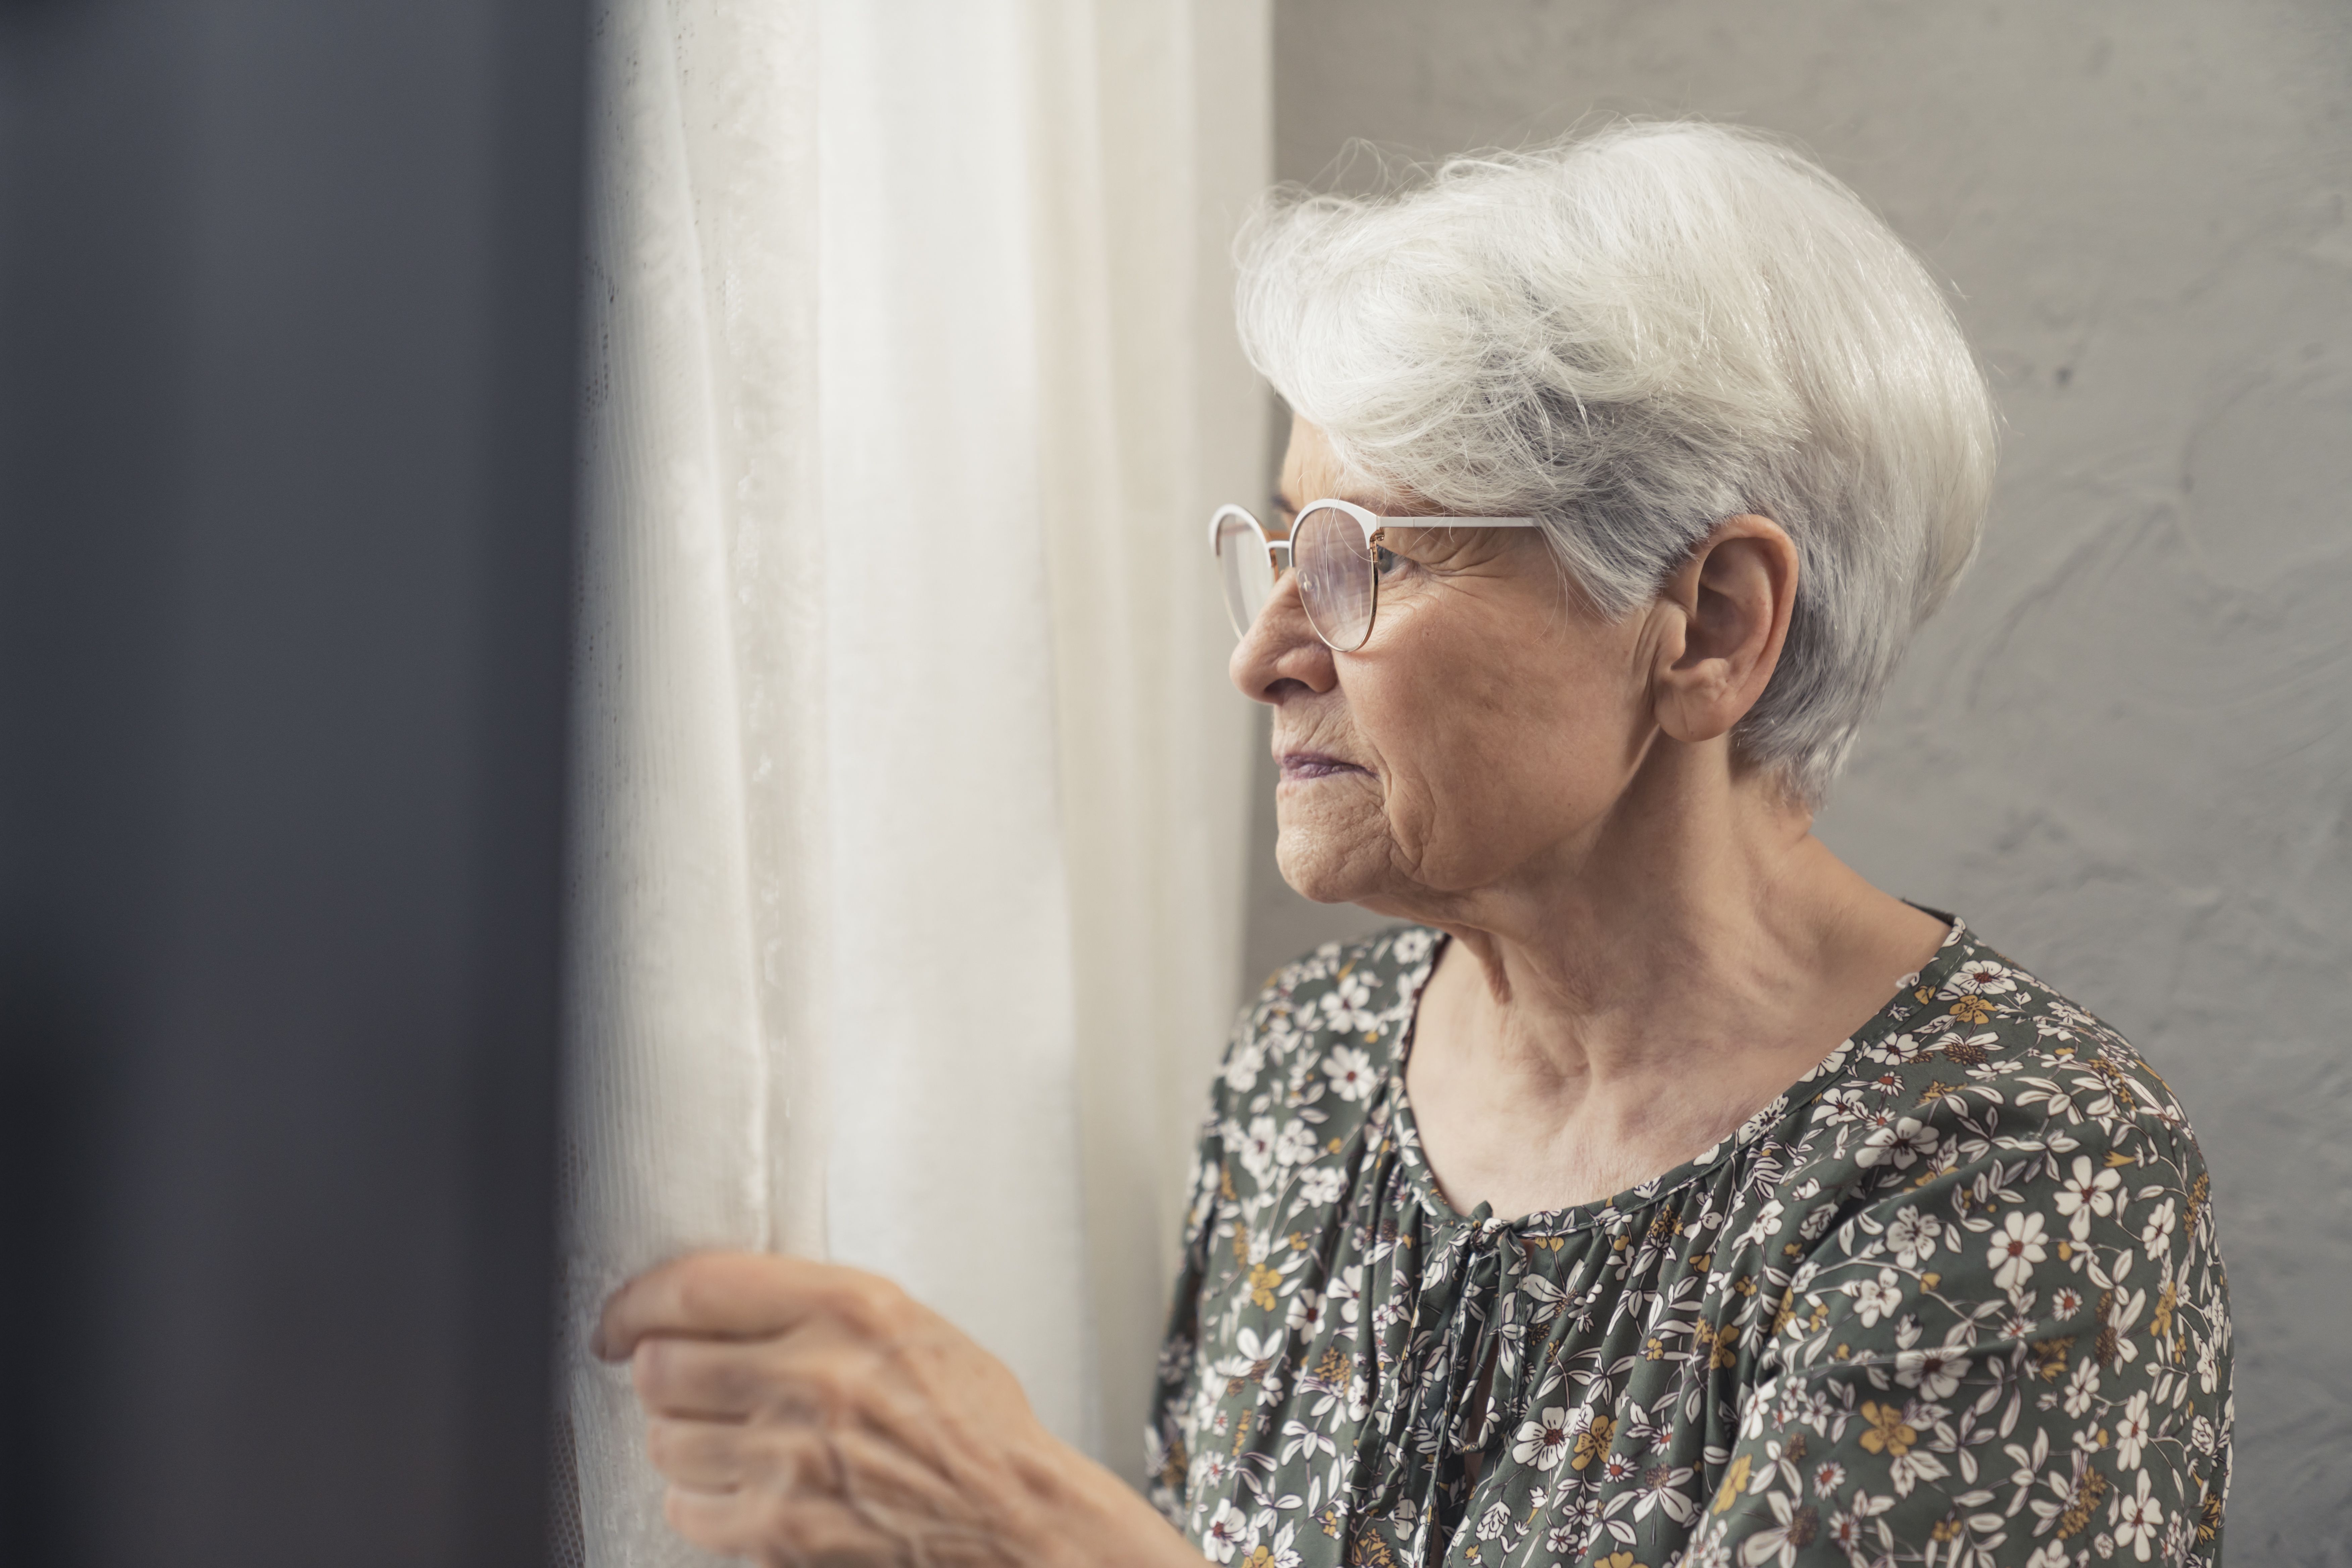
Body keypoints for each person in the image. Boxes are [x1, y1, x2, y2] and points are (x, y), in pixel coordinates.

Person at [593, 122, 2232, 1567]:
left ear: (1711, 625)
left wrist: (1036, 1532)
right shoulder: (1309, 1072)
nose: (1265, 653)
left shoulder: (2014, 1179)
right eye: (1276, 550)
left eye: (1364, 557)